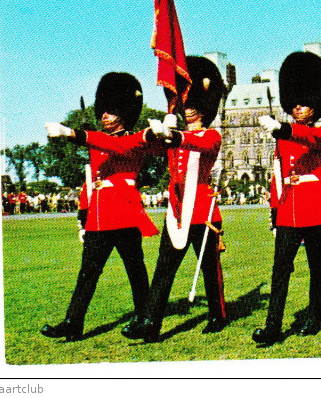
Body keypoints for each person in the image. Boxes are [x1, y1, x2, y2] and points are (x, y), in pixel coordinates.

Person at [41, 72, 159, 342]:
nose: (105, 115)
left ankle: (145, 317)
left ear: (125, 113)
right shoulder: (97, 138)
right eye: (103, 110)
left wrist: (71, 132)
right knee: (87, 273)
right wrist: (83, 219)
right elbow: (90, 182)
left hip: (126, 212)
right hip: (99, 216)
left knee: (136, 271)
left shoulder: (134, 139)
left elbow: (115, 145)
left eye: (112, 110)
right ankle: (73, 321)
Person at [123, 56, 228, 342]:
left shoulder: (211, 134)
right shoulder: (176, 134)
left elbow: (197, 143)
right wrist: (156, 133)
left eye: (194, 106)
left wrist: (174, 136)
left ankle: (218, 314)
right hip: (178, 212)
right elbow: (152, 148)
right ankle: (150, 322)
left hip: (203, 212)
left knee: (209, 267)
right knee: (164, 269)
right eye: (187, 105)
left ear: (205, 108)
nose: (190, 111)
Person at [252, 52, 321, 345]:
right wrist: (274, 207)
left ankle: (316, 315)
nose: (297, 107)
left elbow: (309, 139)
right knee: (280, 269)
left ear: (315, 104)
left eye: (304, 102)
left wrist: (283, 129)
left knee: (317, 268)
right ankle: (273, 325)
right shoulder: (285, 135)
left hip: (316, 206)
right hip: (289, 208)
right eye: (294, 102)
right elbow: (278, 173)